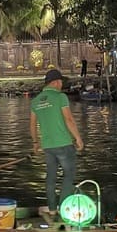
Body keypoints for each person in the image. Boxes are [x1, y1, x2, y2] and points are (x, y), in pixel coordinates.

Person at [30, 68, 84, 221]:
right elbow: (69, 120)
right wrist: (78, 138)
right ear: (55, 82)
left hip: (48, 146)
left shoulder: (35, 101)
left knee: (51, 178)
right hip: (64, 144)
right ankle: (63, 208)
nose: (62, 84)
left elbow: (32, 125)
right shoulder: (61, 97)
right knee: (69, 175)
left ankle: (52, 210)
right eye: (61, 81)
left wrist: (35, 143)